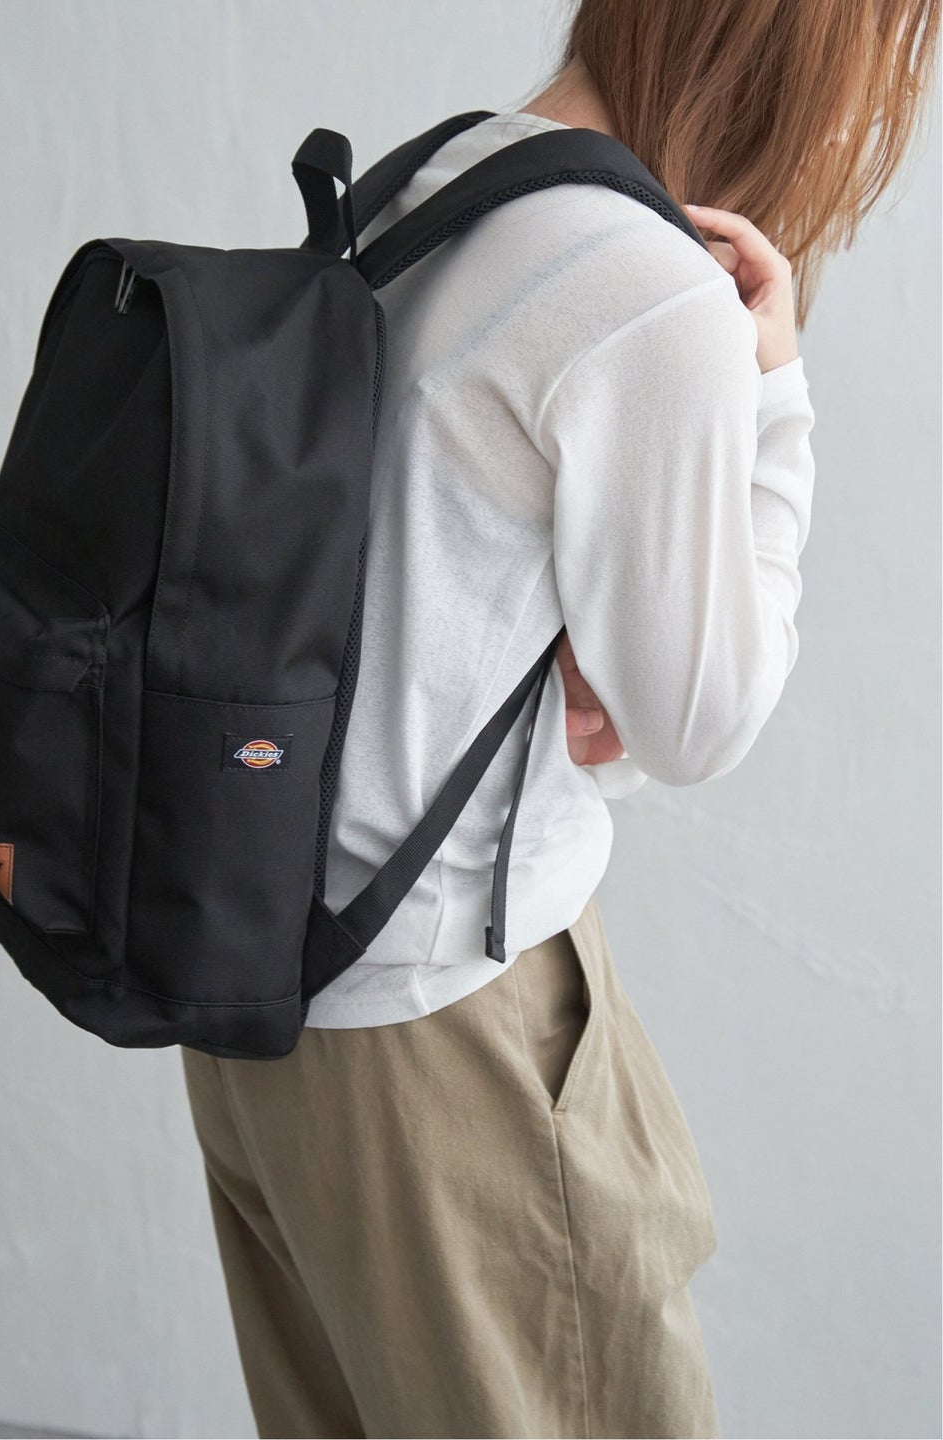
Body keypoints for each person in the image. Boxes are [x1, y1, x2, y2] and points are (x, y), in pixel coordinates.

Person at [181, 2, 939, 1435]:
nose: (857, 118)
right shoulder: (644, 286)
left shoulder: (438, 177)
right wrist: (777, 396)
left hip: (264, 1001)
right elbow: (702, 718)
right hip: (450, 1030)